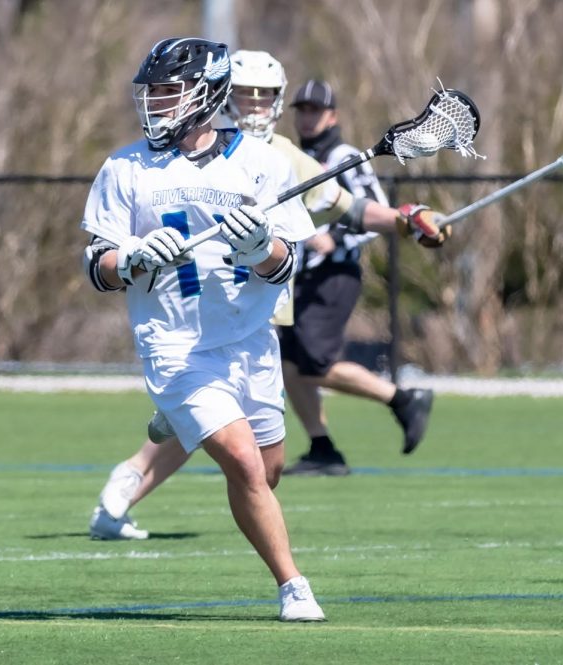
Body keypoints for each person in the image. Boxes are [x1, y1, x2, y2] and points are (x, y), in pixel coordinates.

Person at [89, 50, 449, 542]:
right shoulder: (157, 159)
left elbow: (345, 207)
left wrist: (406, 219)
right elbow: (106, 256)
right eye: (243, 94)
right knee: (231, 435)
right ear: (221, 95)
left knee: (257, 445)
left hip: (260, 307)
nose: (254, 105)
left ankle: (139, 471)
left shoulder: (278, 156)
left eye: (263, 96)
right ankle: (134, 476)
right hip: (191, 321)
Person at [81, 37, 327, 622]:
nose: (156, 105)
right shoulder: (124, 167)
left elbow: (287, 262)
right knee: (242, 463)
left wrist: (258, 246)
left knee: (267, 472)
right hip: (174, 344)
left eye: (169, 93)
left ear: (207, 95)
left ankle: (175, 421)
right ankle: (293, 586)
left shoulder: (262, 163)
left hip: (248, 342)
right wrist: (134, 257)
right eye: (152, 94)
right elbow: (97, 265)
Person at [279, 78, 439, 476]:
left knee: (314, 363)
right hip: (301, 278)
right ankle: (322, 448)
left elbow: (375, 214)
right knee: (288, 366)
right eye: (302, 110)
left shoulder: (345, 155)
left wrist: (331, 237)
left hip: (335, 274)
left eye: (315, 110)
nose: (307, 117)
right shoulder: (296, 156)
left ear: (332, 115)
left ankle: (402, 398)